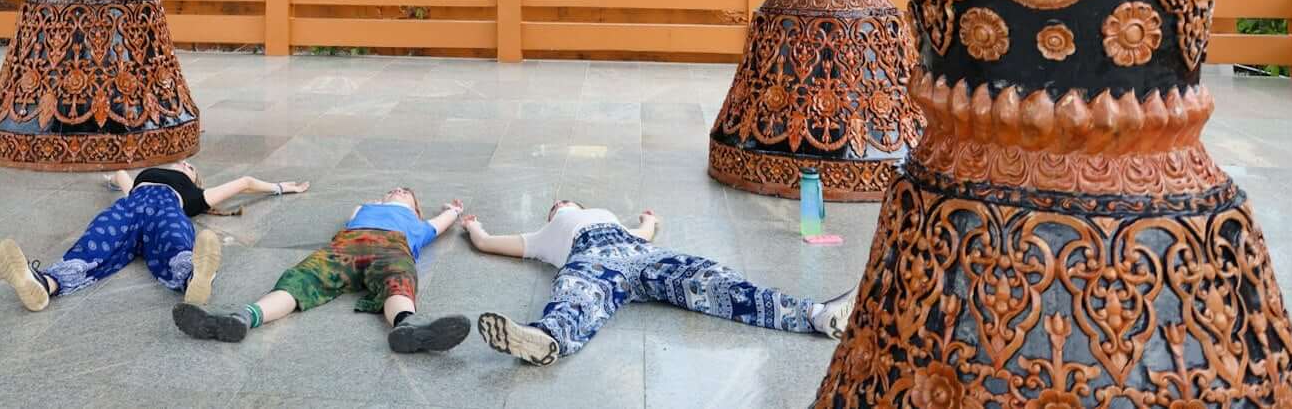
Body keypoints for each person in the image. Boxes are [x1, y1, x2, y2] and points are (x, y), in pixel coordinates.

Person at [464, 200, 853, 365]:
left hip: (641, 253)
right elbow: (488, 243)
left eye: (565, 203)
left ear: (580, 206)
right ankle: (546, 338)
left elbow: (644, 231)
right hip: (591, 262)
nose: (561, 205)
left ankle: (816, 315)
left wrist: (648, 221)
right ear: (553, 214)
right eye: (556, 206)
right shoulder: (543, 235)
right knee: (576, 295)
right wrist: (473, 227)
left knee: (714, 280)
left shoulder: (606, 216)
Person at [171, 186, 473, 354]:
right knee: (300, 278)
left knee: (399, 280)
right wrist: (374, 203)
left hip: (391, 247)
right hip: (346, 244)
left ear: (416, 209)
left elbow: (441, 222)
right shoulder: (363, 210)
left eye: (406, 192)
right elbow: (354, 211)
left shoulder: (417, 224)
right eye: (393, 190)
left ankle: (407, 327)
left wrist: (454, 210)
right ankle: (242, 318)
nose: (398, 190)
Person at [0, 161, 310, 312]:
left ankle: (196, 278)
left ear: (193, 178)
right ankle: (42, 284)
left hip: (167, 209)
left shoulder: (196, 194)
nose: (183, 164)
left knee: (175, 241)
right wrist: (108, 178)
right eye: (181, 163)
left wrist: (282, 187)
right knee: (95, 243)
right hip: (130, 207)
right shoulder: (142, 180)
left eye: (189, 167)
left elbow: (244, 182)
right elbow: (121, 175)